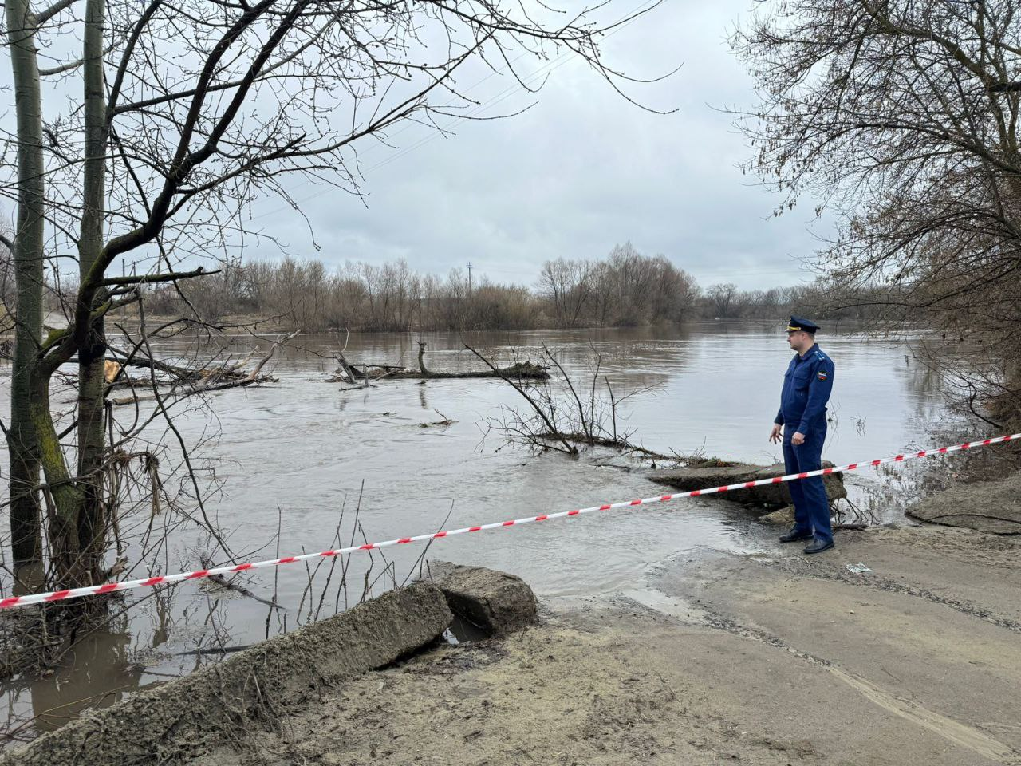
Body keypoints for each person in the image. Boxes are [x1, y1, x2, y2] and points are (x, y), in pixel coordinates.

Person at [769, 316, 836, 554]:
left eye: (791, 334)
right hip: (791, 428)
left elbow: (817, 401)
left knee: (811, 480)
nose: (788, 337)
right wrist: (779, 420)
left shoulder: (821, 363)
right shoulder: (796, 361)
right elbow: (788, 393)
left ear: (803, 335)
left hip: (807, 430)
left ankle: (823, 535)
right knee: (794, 479)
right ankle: (803, 525)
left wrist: (802, 430)